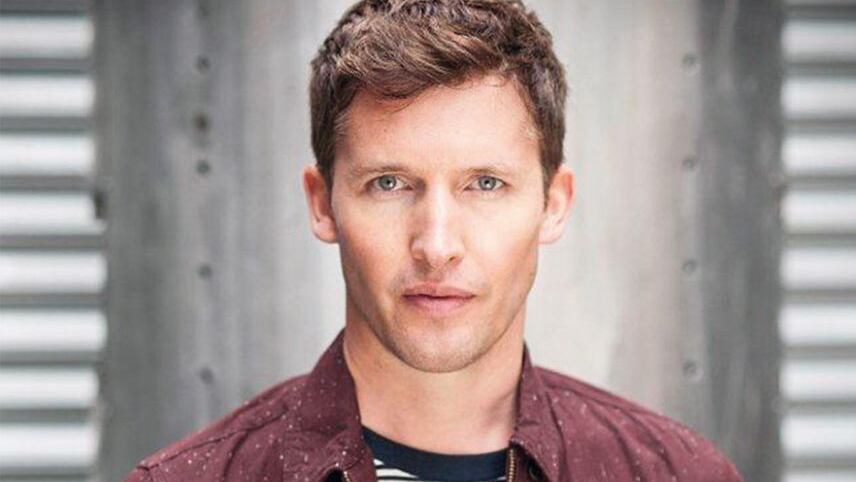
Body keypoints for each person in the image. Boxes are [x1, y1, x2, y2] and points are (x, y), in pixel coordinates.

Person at [124, 1, 744, 481]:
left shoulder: (679, 474)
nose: (437, 245)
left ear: (552, 205)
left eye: (485, 184)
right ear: (323, 204)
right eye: (390, 183)